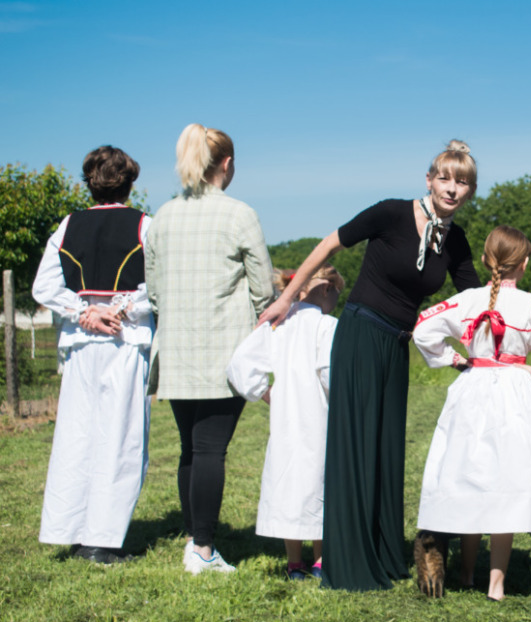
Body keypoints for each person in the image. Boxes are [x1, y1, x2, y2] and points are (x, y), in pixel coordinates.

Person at [260, 140, 531, 591]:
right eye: (445, 178)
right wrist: (285, 298)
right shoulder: (391, 214)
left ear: (470, 190)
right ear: (429, 180)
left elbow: (480, 300)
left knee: (386, 451)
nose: (452, 189)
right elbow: (328, 246)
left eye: (462, 182)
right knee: (357, 446)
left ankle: (383, 555)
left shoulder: (454, 241)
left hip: (397, 345)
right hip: (359, 334)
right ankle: (348, 562)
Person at [412, 225, 531, 601]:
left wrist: (453, 358)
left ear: (486, 260)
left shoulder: (466, 299)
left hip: (472, 387)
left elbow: (423, 327)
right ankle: (496, 583)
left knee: (472, 474)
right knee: (508, 477)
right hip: (514, 392)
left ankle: (467, 572)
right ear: (526, 262)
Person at [146, 123, 275, 575]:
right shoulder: (240, 214)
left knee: (190, 448)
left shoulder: (161, 216)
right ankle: (202, 550)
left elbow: (155, 290)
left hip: (177, 348)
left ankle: (193, 538)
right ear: (226, 163)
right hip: (224, 348)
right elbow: (263, 286)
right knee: (210, 450)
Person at [32, 146, 152, 565]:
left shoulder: (69, 225)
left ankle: (72, 530)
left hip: (81, 342)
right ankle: (101, 540)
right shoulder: (145, 225)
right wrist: (115, 310)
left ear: (89, 182)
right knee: (119, 438)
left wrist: (84, 312)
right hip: (125, 337)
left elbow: (44, 287)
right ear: (130, 183)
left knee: (76, 435)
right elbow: (156, 284)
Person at [226, 266, 343, 580]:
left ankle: (294, 562)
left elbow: (239, 365)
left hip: (286, 417)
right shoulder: (327, 325)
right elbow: (330, 372)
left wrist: (267, 394)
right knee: (320, 481)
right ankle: (320, 559)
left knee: (289, 481)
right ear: (327, 289)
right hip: (319, 414)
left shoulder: (276, 326)